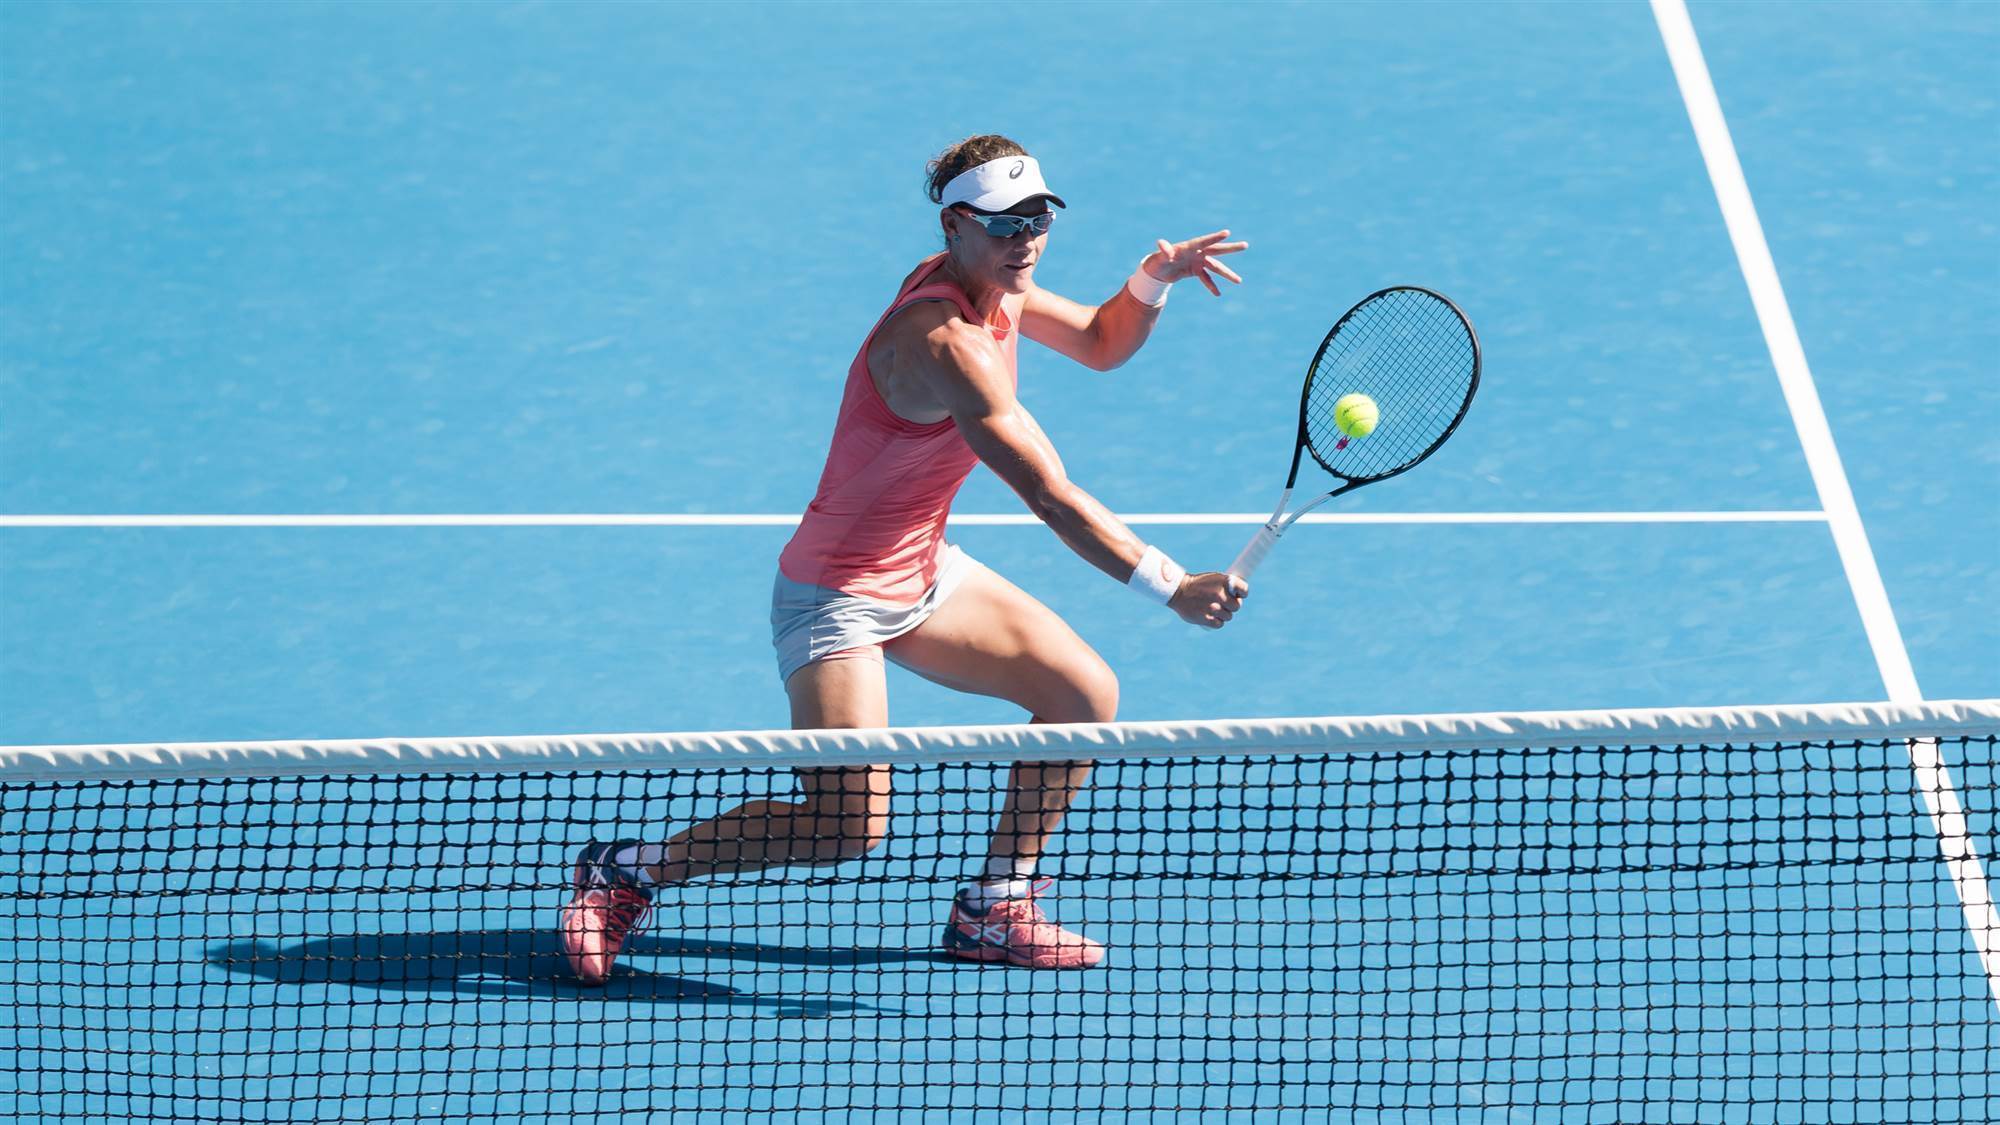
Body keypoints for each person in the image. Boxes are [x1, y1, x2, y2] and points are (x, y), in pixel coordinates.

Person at [560, 134, 1249, 983]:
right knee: (846, 826)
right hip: (836, 594)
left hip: (923, 570)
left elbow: (1105, 341)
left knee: (1082, 694)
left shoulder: (996, 287)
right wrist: (1172, 584)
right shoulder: (943, 340)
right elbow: (1050, 495)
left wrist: (1151, 280)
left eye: (1039, 218)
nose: (1026, 239)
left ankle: (995, 904)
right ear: (957, 225)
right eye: (1005, 226)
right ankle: (627, 872)